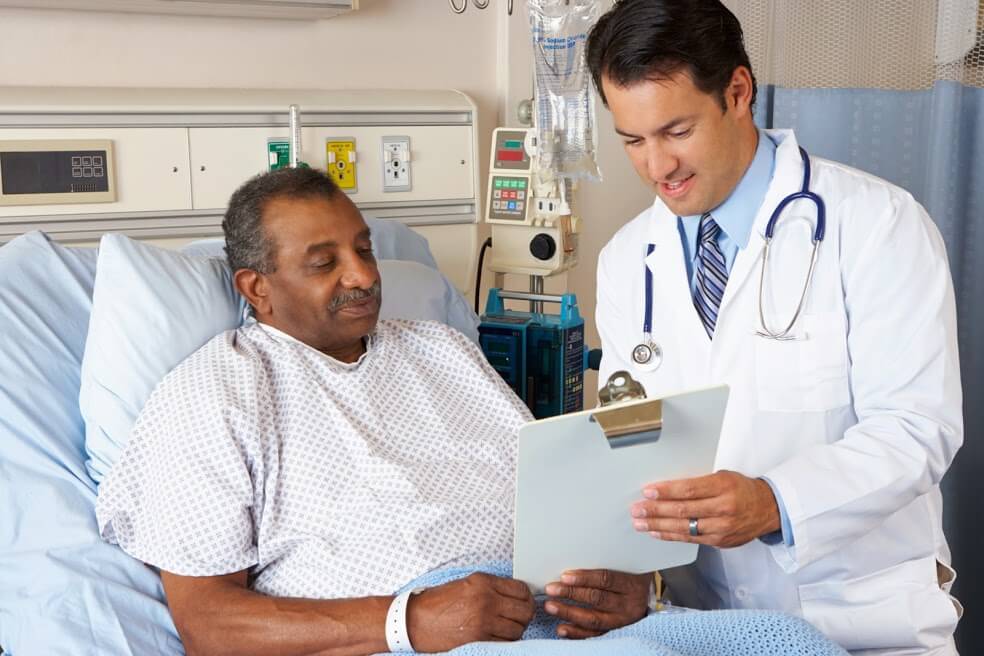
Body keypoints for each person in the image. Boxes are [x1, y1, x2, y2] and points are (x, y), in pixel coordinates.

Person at [95, 167, 650, 656]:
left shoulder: (444, 350)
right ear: (257, 288)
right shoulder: (216, 395)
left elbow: (559, 502)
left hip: (552, 622)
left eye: (363, 250)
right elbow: (209, 626)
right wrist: (409, 621)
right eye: (324, 263)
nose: (362, 275)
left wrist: (618, 587)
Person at [572, 1, 964, 654]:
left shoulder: (876, 224)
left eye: (676, 131)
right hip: (701, 626)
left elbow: (918, 428)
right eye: (633, 141)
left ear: (737, 91)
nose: (657, 167)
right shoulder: (627, 262)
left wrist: (774, 501)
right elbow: (633, 435)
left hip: (862, 618)